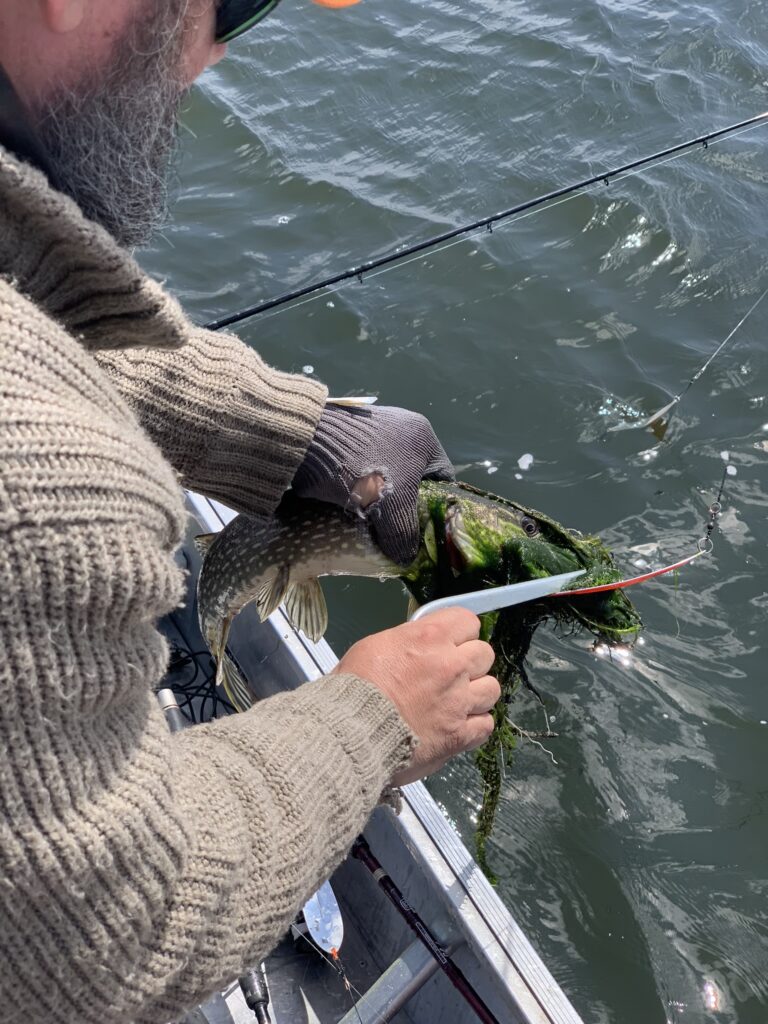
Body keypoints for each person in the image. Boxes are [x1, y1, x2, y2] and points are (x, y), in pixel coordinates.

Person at [0, 2, 500, 1021]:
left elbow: (44, 309)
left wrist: (300, 433)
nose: (221, 47)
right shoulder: (38, 492)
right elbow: (107, 940)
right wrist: (375, 719)